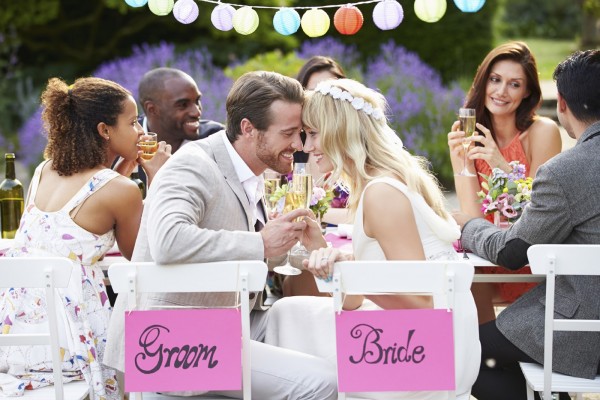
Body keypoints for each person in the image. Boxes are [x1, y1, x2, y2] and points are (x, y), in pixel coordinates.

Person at [103, 71, 338, 399]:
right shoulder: (194, 164)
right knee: (322, 382)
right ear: (248, 129)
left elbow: (252, 251)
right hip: (171, 341)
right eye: (288, 133)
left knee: (310, 320)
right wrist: (260, 243)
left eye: (300, 133)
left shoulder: (248, 171)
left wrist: (307, 248)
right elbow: (168, 241)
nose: (299, 146)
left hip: (229, 321)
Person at [265, 78, 480, 399]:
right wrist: (318, 248)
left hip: (429, 349)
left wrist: (349, 273)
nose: (305, 147)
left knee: (286, 316)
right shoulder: (377, 183)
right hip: (424, 334)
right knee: (288, 312)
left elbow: (423, 305)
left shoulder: (382, 192)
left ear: (341, 129)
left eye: (311, 133)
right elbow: (352, 302)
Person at [0, 77, 170, 398]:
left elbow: (90, 201)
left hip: (20, 327)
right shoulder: (122, 191)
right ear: (105, 130)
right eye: (133, 122)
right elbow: (143, 259)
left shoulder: (45, 169)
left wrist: (120, 173)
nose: (141, 132)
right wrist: (160, 179)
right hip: (72, 335)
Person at [454, 50, 600, 400]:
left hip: (579, 331)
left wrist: (465, 227)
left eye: (514, 83)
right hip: (575, 316)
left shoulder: (566, 170)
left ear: (560, 103)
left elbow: (511, 250)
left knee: (460, 353)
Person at [447, 41, 562, 324]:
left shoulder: (542, 132)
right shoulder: (468, 135)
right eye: (495, 80)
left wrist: (500, 163)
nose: (500, 91)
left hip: (524, 253)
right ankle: (483, 352)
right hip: (484, 256)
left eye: (514, 84)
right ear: (483, 82)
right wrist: (461, 161)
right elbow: (473, 219)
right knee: (456, 268)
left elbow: (537, 213)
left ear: (526, 92)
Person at [282, 56, 350, 298]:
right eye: (315, 92)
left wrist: (315, 214)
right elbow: (275, 205)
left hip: (343, 250)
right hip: (301, 253)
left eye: (331, 91)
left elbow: (360, 215)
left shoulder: (350, 157)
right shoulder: (288, 153)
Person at [138, 67, 224, 153]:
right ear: (152, 109)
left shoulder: (216, 138)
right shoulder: (128, 142)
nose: (197, 112)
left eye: (197, 101)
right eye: (183, 105)